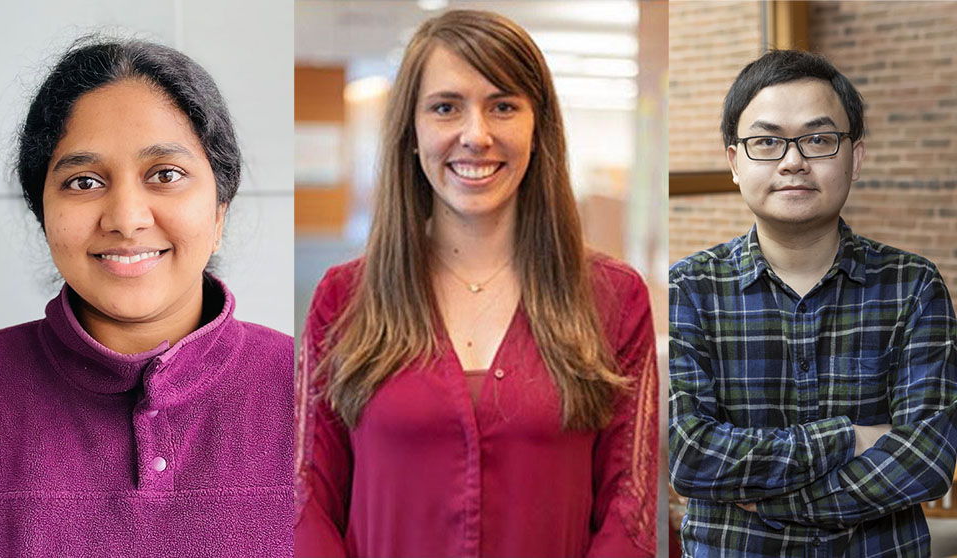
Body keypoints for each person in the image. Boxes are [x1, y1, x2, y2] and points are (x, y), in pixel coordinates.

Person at [295, 9, 658, 558]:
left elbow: (630, 510)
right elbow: (305, 497)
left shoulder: (613, 298)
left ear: (538, 129)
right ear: (412, 133)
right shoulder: (343, 299)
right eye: (446, 107)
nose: (476, 134)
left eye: (503, 106)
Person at [0, 38, 294, 555]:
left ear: (219, 211)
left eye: (165, 175)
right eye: (84, 181)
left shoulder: (316, 392)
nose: (125, 218)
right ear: (43, 216)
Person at [669, 49, 957, 556]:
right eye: (766, 141)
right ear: (735, 162)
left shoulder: (914, 286)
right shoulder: (686, 290)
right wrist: (847, 437)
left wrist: (776, 503)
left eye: (819, 139)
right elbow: (690, 456)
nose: (793, 161)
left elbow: (927, 460)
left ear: (857, 157)